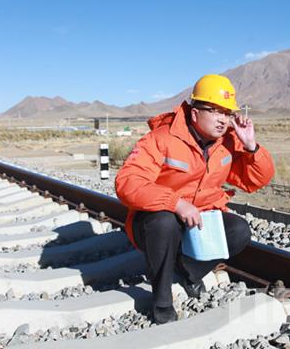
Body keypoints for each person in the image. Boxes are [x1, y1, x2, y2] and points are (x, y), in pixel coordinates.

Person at [115, 74, 275, 324]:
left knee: (239, 230)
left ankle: (187, 272)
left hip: (197, 219)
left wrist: (251, 146)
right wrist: (175, 203)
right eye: (215, 110)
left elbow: (255, 180)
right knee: (164, 222)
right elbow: (127, 183)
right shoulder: (160, 139)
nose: (222, 119)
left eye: (227, 112)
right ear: (194, 113)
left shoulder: (227, 142)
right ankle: (161, 300)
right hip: (154, 223)